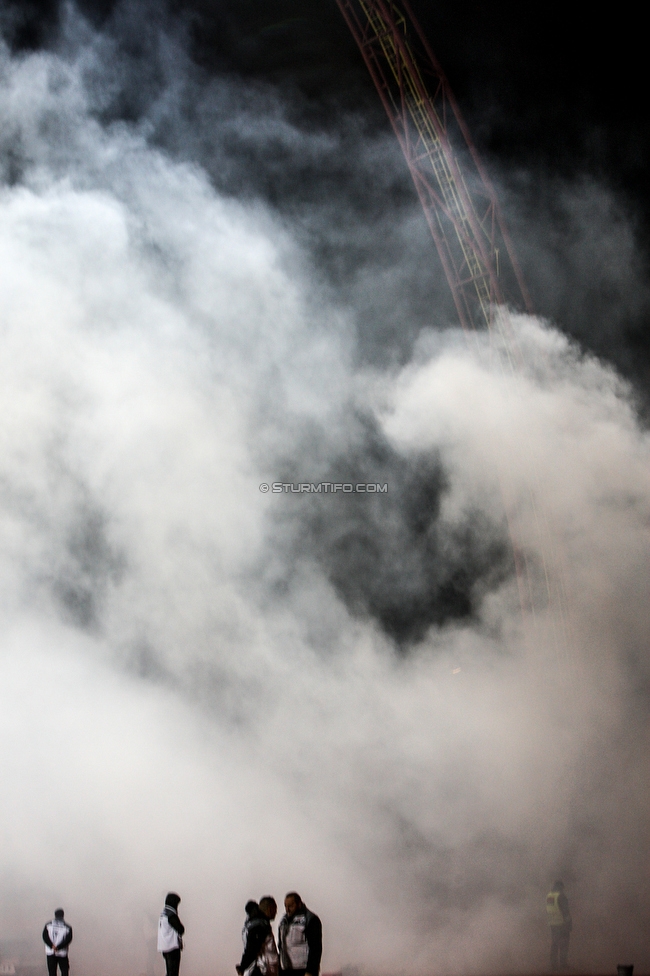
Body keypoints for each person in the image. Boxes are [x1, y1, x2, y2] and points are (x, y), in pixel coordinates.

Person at [278, 893, 321, 976]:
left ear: (299, 904)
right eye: (285, 906)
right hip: (286, 969)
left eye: (290, 906)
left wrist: (310, 971)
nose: (287, 909)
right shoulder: (283, 920)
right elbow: (281, 945)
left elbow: (316, 948)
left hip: (303, 969)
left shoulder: (310, 919)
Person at [236, 897, 279, 976]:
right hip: (260, 970)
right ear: (270, 909)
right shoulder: (260, 925)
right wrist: (242, 967)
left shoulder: (251, 923)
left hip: (257, 969)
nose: (276, 912)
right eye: (275, 909)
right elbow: (252, 949)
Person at [546, 880, 572, 971]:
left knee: (554, 943)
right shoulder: (561, 896)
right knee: (564, 944)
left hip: (552, 924)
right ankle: (563, 964)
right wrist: (569, 924)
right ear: (561, 887)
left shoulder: (549, 896)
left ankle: (553, 964)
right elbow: (566, 912)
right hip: (562, 924)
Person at [158, 893, 185, 976]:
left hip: (164, 946)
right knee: (173, 972)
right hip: (171, 947)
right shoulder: (171, 915)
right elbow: (181, 929)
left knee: (170, 971)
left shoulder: (164, 913)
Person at [42, 909, 73, 976]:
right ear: (63, 915)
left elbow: (45, 937)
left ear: (55, 915)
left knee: (52, 972)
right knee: (64, 970)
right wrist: (58, 947)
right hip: (62, 953)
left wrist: (51, 946)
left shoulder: (48, 925)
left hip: (50, 952)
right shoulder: (67, 927)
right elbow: (68, 939)